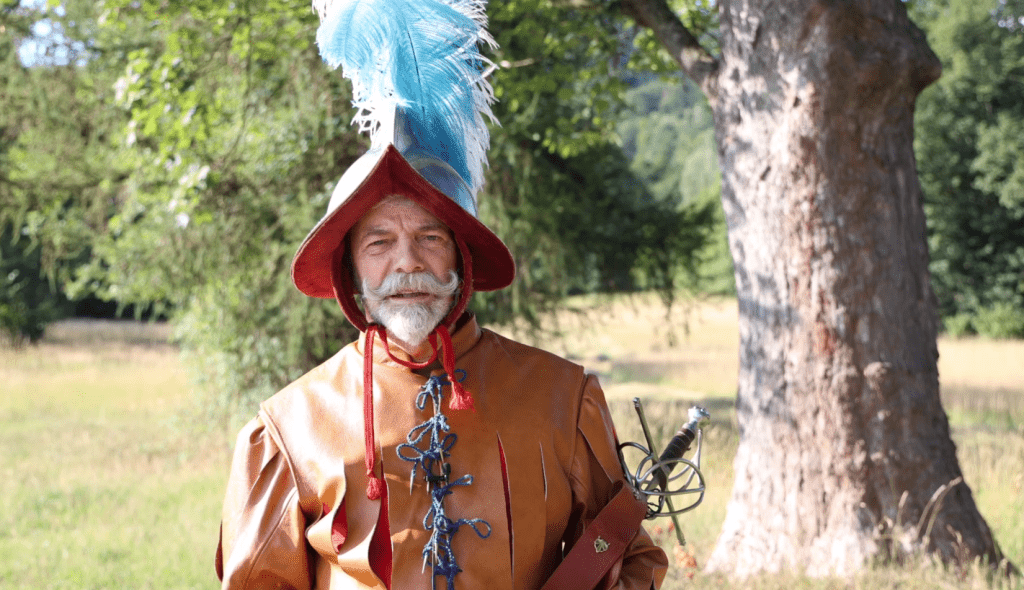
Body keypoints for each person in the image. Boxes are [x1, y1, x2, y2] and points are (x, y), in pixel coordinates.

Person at [215, 0, 668, 588]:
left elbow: (627, 556)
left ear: (462, 257)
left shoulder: (563, 398)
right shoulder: (289, 427)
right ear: (350, 270)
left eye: (430, 236)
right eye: (378, 242)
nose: (407, 262)